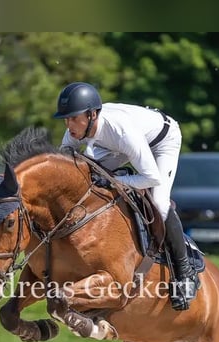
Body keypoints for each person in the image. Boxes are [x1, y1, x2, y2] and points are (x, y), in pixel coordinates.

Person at [53, 82, 197, 311]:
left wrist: (115, 181)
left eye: (73, 118)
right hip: (118, 146)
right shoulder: (77, 129)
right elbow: (65, 166)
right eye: (66, 119)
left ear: (91, 115)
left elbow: (150, 178)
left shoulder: (121, 132)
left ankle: (184, 272)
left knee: (159, 203)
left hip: (161, 141)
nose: (68, 124)